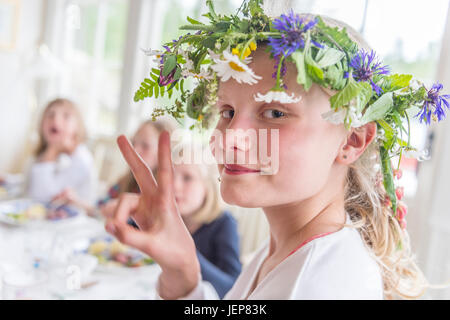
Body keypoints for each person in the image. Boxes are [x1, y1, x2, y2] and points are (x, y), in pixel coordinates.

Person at [104, 2, 446, 300]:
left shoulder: (318, 285)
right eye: (227, 112)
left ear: (351, 141)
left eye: (275, 113)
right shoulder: (287, 250)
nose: (231, 137)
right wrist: (183, 276)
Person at [53, 119, 170, 218]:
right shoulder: (125, 182)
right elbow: (100, 209)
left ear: (164, 153)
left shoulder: (166, 195)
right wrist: (74, 200)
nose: (135, 150)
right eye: (134, 143)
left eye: (145, 146)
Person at [172, 144, 241, 298]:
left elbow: (233, 287)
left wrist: (187, 255)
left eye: (187, 178)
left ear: (207, 186)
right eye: (171, 176)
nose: (174, 186)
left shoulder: (224, 223)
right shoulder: (171, 217)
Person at [26, 98, 97, 206]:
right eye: (50, 115)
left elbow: (42, 196)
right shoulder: (41, 154)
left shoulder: (81, 159)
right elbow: (29, 186)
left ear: (77, 127)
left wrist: (52, 150)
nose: (55, 120)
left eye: (66, 116)